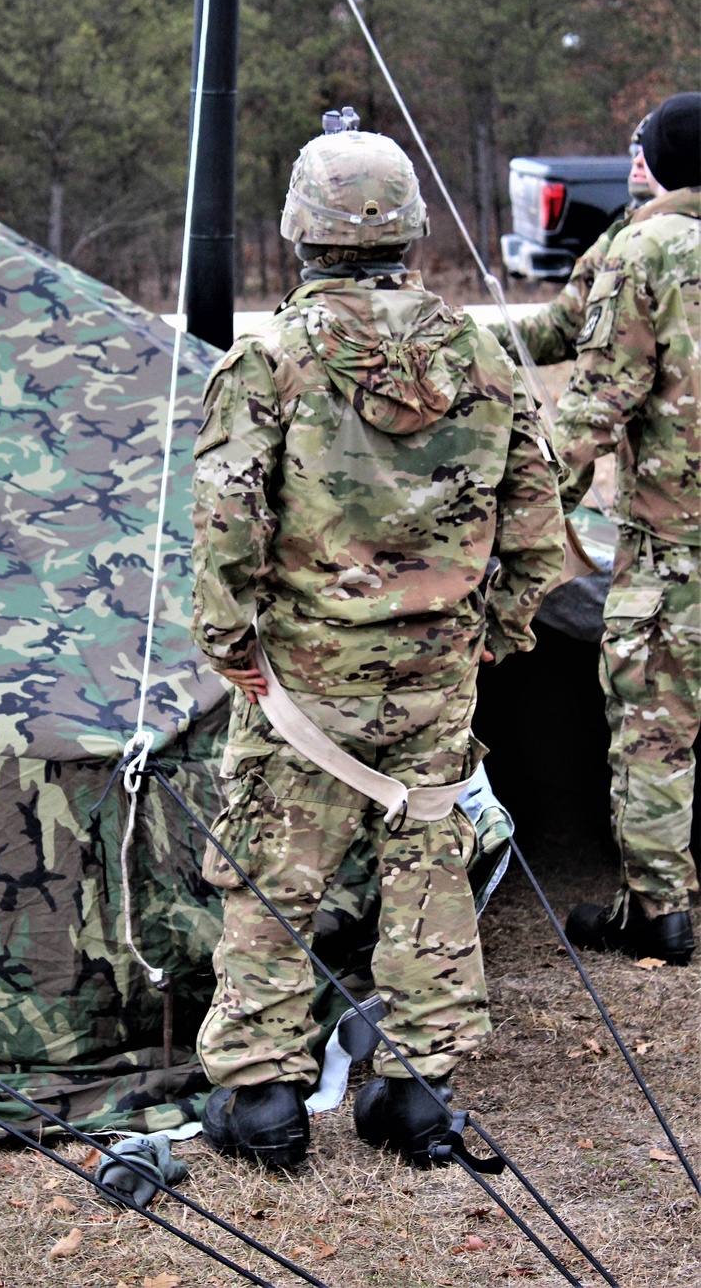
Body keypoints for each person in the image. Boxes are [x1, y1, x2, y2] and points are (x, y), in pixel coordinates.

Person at [190, 125, 565, 1170]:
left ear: (301, 227)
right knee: (428, 870)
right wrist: (494, 629)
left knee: (273, 875)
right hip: (435, 679)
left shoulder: (268, 358)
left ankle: (261, 1104)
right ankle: (418, 1092)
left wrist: (231, 648)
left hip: (301, 682)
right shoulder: (481, 353)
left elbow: (227, 522)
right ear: (406, 225)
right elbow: (539, 524)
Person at [555, 93, 701, 965]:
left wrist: (527, 519)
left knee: (654, 725)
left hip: (676, 547)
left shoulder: (644, 250)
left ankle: (659, 912)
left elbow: (596, 403)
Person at [492, 115, 656, 366]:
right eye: (636, 151)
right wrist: (479, 341)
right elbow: (559, 327)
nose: (638, 161)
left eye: (653, 152)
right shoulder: (618, 241)